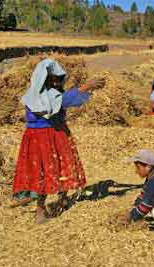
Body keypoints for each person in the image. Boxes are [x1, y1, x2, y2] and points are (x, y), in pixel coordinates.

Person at [12, 58, 105, 224]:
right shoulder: (36, 95)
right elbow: (64, 101)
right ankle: (40, 211)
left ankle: (62, 200)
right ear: (43, 78)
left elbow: (62, 101)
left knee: (61, 167)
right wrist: (86, 87)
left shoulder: (50, 93)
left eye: (58, 78)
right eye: (52, 78)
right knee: (43, 171)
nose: (55, 82)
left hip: (57, 134)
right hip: (40, 138)